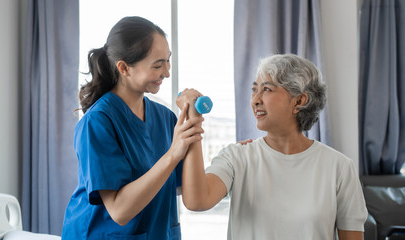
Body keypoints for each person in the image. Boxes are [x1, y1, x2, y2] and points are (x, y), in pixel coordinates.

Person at [177, 54, 368, 240]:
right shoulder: (236, 157)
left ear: (299, 101)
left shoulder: (339, 167)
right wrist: (193, 122)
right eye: (254, 90)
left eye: (267, 89)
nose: (255, 100)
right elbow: (197, 200)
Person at [61, 16, 204, 240]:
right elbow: (119, 210)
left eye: (168, 61)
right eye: (158, 64)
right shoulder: (97, 122)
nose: (167, 72)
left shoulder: (165, 117)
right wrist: (173, 154)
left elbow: (181, 186)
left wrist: (234, 159)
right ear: (124, 68)